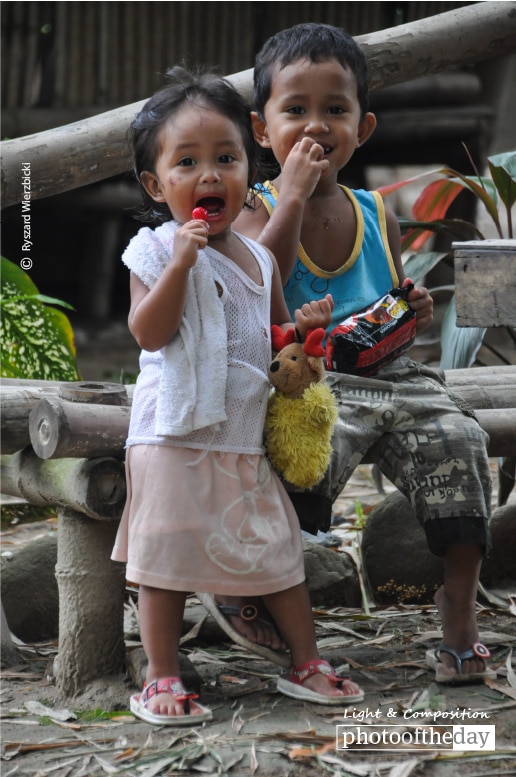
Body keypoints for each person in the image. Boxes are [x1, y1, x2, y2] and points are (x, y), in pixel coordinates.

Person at [234, 23, 495, 685]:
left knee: (460, 439)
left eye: (335, 110)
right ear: (262, 131)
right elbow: (259, 283)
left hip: (396, 375)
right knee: (303, 460)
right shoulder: (254, 210)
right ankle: (264, 597)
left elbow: (392, 293)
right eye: (294, 110)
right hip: (312, 383)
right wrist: (290, 196)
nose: (315, 126)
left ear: (364, 126)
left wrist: (412, 308)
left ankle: (458, 612)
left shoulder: (377, 210)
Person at [111, 66, 364, 726]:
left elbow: (271, 331)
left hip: (241, 437)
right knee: (162, 559)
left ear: (250, 170)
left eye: (225, 158)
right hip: (171, 438)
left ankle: (305, 661)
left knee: (278, 552)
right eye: (186, 162)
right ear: (154, 183)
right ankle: (162, 673)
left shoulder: (257, 257)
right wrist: (182, 264)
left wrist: (303, 332)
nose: (208, 175)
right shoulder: (156, 247)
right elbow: (149, 330)